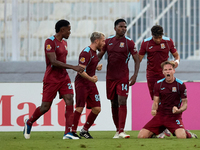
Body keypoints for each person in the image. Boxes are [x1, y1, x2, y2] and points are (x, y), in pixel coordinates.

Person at [23, 19, 84, 139]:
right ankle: (29, 122)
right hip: (51, 78)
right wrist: (73, 67)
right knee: (45, 107)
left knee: (70, 99)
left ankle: (67, 133)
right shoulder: (49, 42)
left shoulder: (64, 43)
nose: (70, 32)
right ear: (62, 30)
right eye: (69, 30)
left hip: (64, 77)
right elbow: (53, 62)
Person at [98, 18, 140, 138]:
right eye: (121, 27)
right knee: (113, 102)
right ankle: (117, 130)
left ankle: (122, 130)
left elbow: (137, 59)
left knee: (122, 101)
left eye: (125, 27)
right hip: (110, 77)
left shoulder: (129, 42)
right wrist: (93, 65)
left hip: (123, 77)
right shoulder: (108, 41)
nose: (123, 29)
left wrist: (135, 75)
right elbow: (99, 55)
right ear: (115, 28)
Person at [137, 61, 197, 139]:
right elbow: (156, 101)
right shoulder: (158, 84)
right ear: (163, 72)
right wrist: (154, 109)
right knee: (141, 136)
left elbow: (185, 104)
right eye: (165, 70)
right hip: (160, 115)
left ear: (173, 71)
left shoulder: (180, 85)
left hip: (174, 116)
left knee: (181, 137)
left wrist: (178, 110)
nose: (168, 71)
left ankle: (188, 134)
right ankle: (154, 134)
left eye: (170, 69)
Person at [139, 25, 180, 138]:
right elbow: (139, 58)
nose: (158, 40)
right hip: (152, 75)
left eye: (159, 37)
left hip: (165, 75)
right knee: (156, 100)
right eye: (156, 38)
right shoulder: (146, 43)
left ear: (162, 35)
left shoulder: (168, 41)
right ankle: (163, 127)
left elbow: (176, 56)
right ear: (152, 36)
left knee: (165, 100)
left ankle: (163, 128)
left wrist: (177, 62)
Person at [64, 32, 105, 139]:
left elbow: (88, 66)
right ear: (96, 41)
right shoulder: (86, 52)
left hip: (90, 83)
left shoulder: (94, 52)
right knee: (79, 107)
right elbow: (81, 70)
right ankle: (72, 132)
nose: (104, 43)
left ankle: (84, 130)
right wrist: (91, 78)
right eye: (103, 41)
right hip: (82, 83)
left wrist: (96, 67)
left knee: (97, 108)